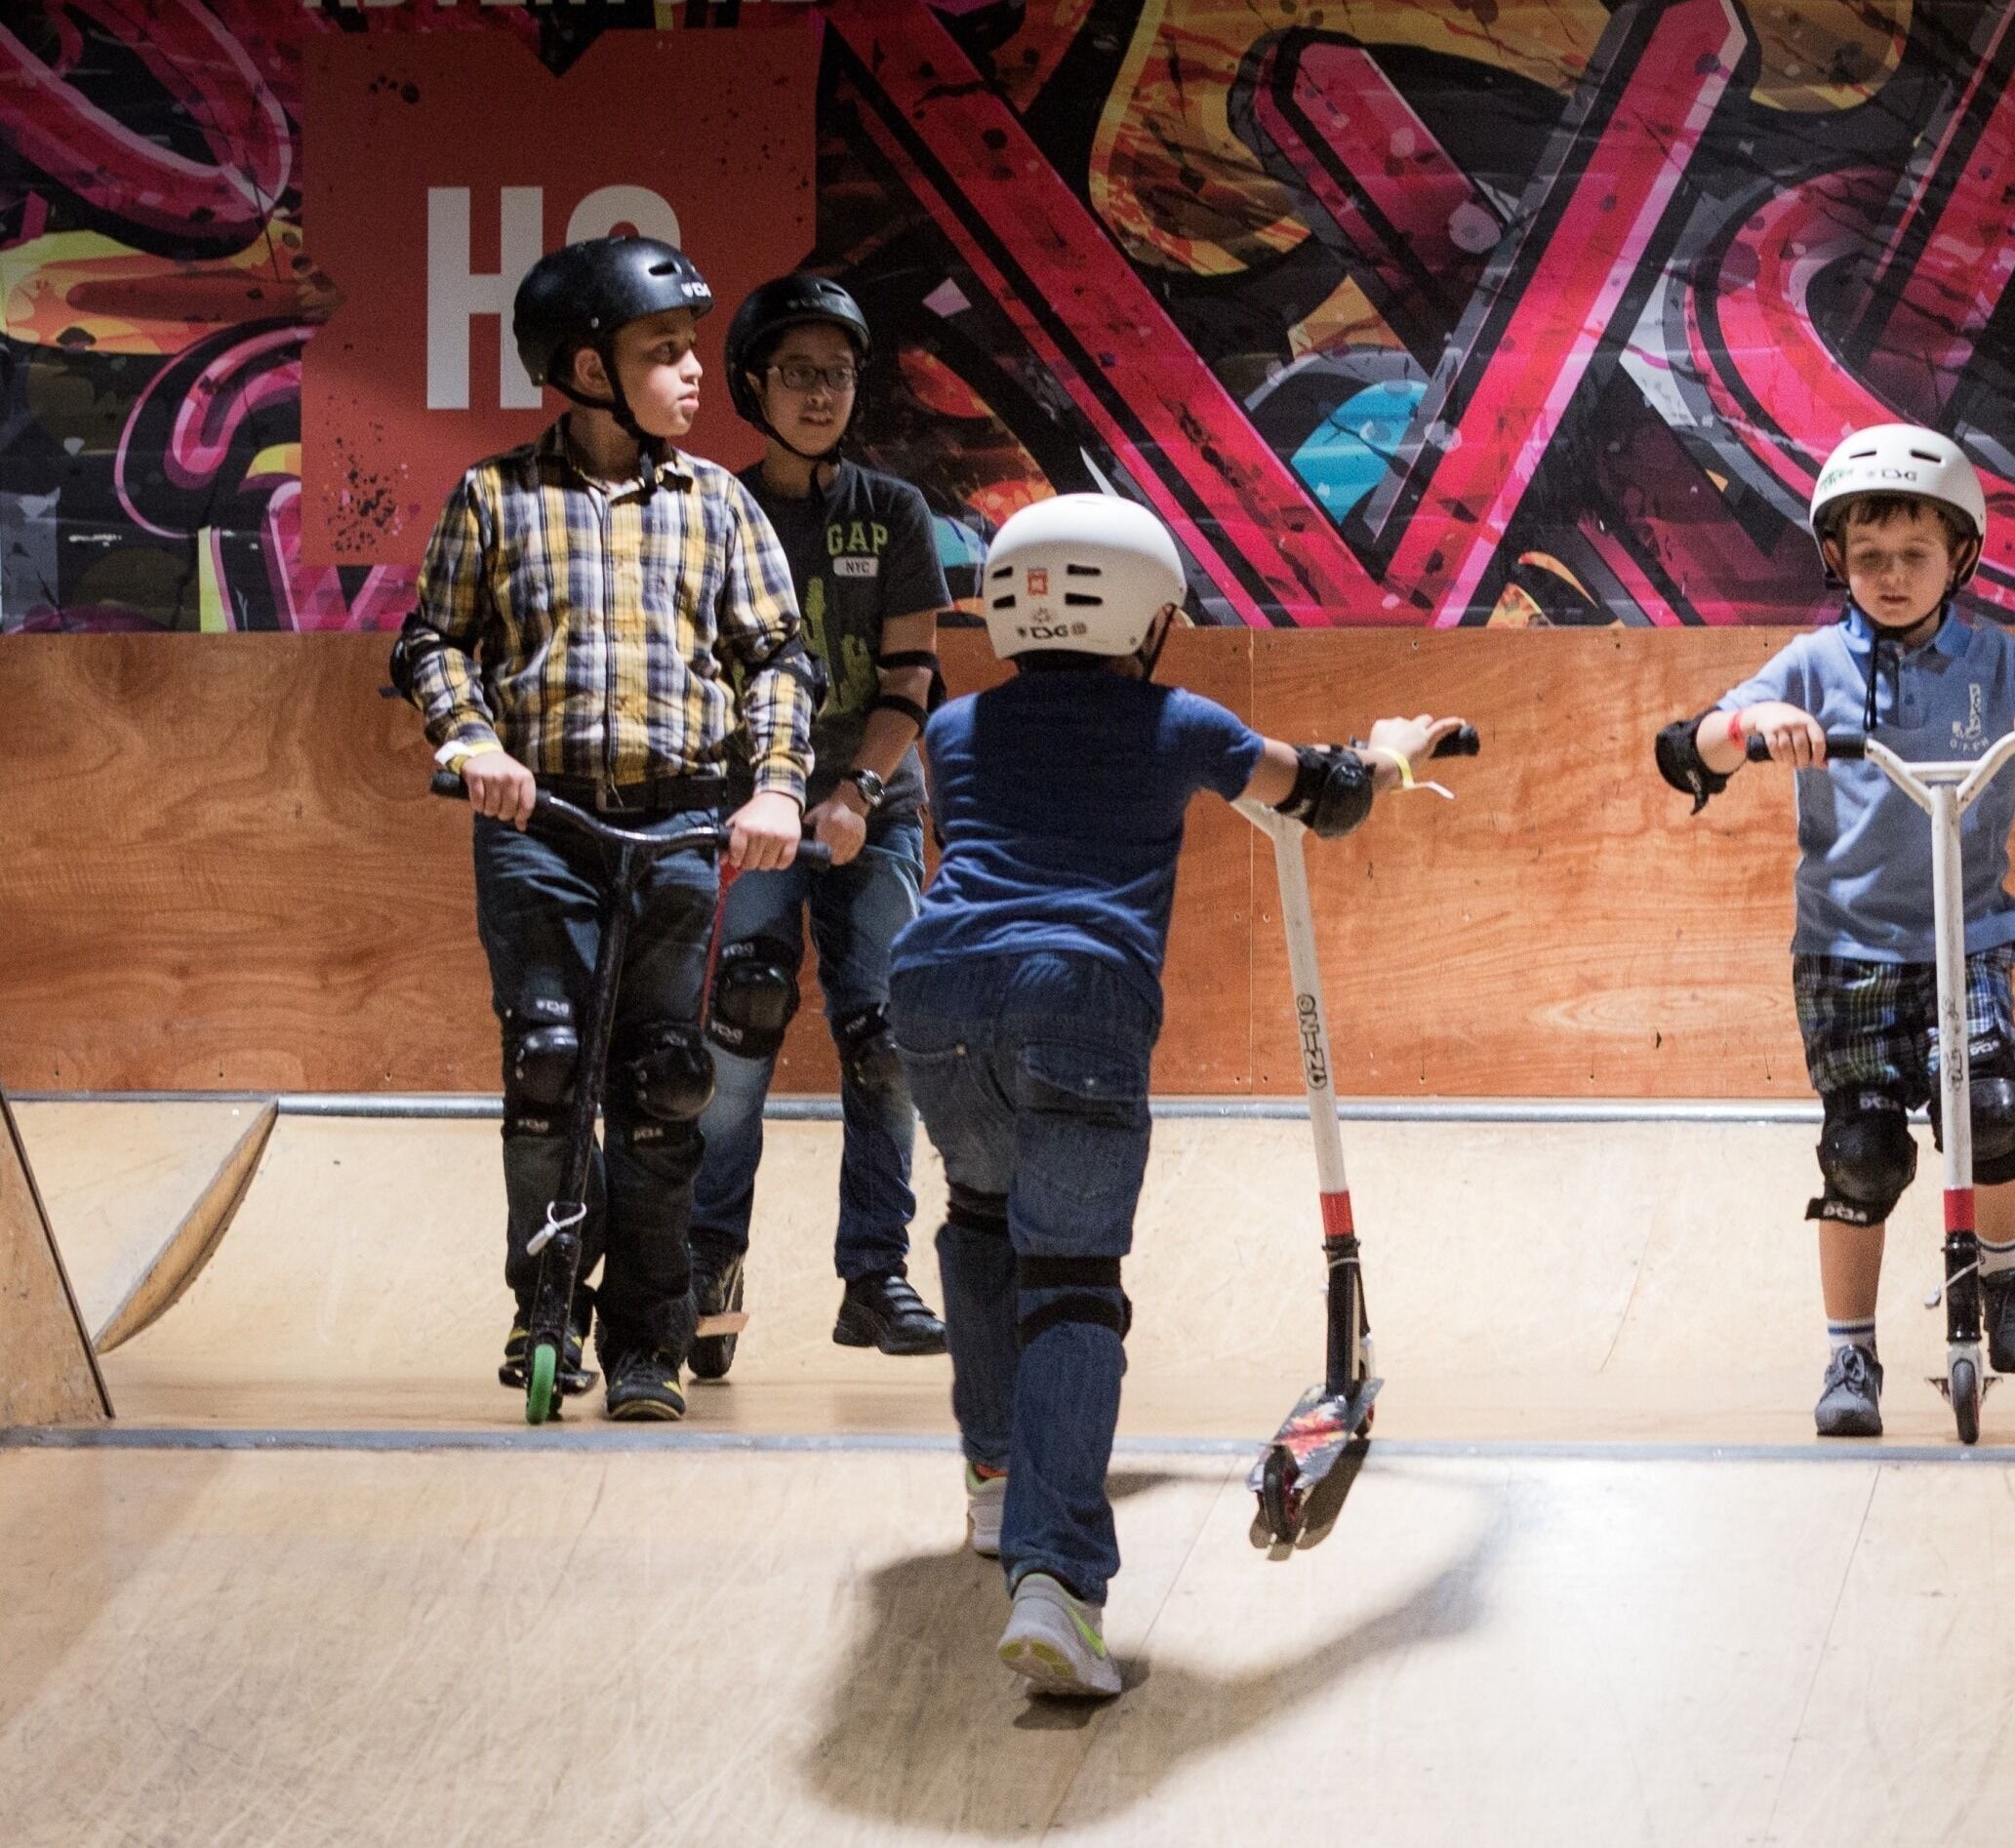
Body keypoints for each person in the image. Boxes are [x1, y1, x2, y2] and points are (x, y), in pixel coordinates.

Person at [893, 492, 1463, 1697]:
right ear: (1150, 619)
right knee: (1071, 1286)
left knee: (980, 1218)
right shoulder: (1177, 720)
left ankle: (997, 1481)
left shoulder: (952, 729)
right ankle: (1056, 1583)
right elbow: (1325, 792)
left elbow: (993, 838)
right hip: (1079, 999)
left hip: (935, 996)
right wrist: (1391, 754)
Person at [1652, 423, 2015, 1440]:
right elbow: (1687, 747)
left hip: (1967, 938)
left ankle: (2003, 1282)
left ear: (1957, 557)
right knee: (1863, 1151)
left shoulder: (1994, 663)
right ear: (1834, 559)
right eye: (1866, 555)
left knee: (1993, 1110)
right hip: (1846, 948)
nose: (1888, 575)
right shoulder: (1811, 664)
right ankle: (1850, 1350)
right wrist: (1748, 731)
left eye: (1911, 554)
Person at [391, 235, 815, 1422]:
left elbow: (777, 656)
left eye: (690, 350)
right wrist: (471, 742)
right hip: (546, 826)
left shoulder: (717, 503)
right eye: (662, 352)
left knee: (663, 1081)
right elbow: (431, 641)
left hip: (679, 823)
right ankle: (543, 1309)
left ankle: (647, 1336)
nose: (692, 373)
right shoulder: (493, 497)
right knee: (545, 1068)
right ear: (586, 366)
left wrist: (776, 784)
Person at [684, 275, 952, 1380]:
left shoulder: (891, 513)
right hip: (755, 809)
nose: (819, 393)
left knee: (881, 1040)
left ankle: (872, 1274)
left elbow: (910, 674)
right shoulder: (717, 508)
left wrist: (852, 791)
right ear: (751, 382)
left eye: (837, 374)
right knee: (741, 1030)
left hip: (871, 809)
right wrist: (773, 796)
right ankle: (708, 1269)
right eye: (796, 372)